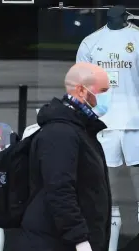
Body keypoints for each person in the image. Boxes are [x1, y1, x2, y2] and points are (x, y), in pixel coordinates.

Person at [16, 62, 112, 251]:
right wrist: (80, 240)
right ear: (81, 91)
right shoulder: (60, 133)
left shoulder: (80, 130)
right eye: (104, 90)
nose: (108, 95)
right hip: (57, 242)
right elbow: (60, 190)